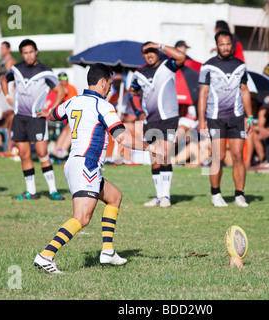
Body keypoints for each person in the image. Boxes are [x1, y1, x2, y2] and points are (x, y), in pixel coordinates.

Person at [33, 63, 164, 274]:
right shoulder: (102, 106)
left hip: (75, 163)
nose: (110, 89)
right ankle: (46, 255)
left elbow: (54, 115)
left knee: (114, 197)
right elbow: (122, 137)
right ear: (102, 82)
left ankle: (108, 252)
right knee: (82, 218)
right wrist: (149, 147)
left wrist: (44, 114)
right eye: (110, 84)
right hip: (87, 165)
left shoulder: (73, 101)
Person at [1, 39, 66, 200]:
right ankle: (31, 192)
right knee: (24, 155)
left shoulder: (45, 71)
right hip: (19, 118)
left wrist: (49, 110)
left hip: (36, 118)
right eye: (25, 53)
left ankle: (53, 191)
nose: (28, 56)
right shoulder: (16, 69)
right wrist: (8, 96)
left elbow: (60, 91)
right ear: (22, 54)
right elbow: (4, 80)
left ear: (36, 52)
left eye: (31, 52)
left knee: (43, 154)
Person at [198, 30, 253, 207]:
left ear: (233, 45)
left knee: (238, 155)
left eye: (228, 44)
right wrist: (201, 120)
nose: (226, 47)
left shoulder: (241, 65)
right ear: (217, 46)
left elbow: (244, 91)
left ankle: (239, 195)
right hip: (215, 117)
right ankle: (216, 194)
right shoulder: (207, 66)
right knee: (218, 156)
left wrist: (249, 116)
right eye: (222, 44)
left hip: (236, 117)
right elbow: (203, 94)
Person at [128, 41, 186, 207]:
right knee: (154, 158)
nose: (149, 55)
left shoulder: (168, 65)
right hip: (150, 120)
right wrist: (138, 111)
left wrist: (161, 46)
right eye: (146, 52)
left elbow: (181, 56)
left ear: (157, 52)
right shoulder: (139, 74)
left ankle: (166, 196)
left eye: (152, 51)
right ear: (142, 55)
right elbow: (132, 93)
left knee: (165, 155)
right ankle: (158, 197)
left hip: (169, 117)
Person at [50, 72, 78, 160]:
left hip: (71, 116)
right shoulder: (56, 90)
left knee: (69, 130)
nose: (63, 83)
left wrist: (64, 94)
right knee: (65, 130)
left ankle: (62, 151)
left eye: (64, 80)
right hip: (61, 117)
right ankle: (56, 152)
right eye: (61, 81)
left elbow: (71, 106)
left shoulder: (71, 89)